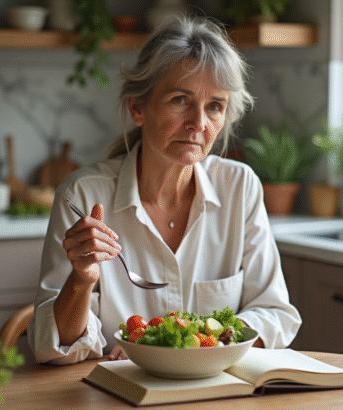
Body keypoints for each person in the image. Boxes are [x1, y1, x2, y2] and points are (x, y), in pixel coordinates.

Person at [28, 15, 301, 365]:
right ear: (138, 108)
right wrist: (82, 280)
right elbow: (53, 349)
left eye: (214, 106)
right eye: (180, 100)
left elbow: (275, 312)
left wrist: (186, 345)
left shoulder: (240, 187)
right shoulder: (83, 194)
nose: (198, 124)